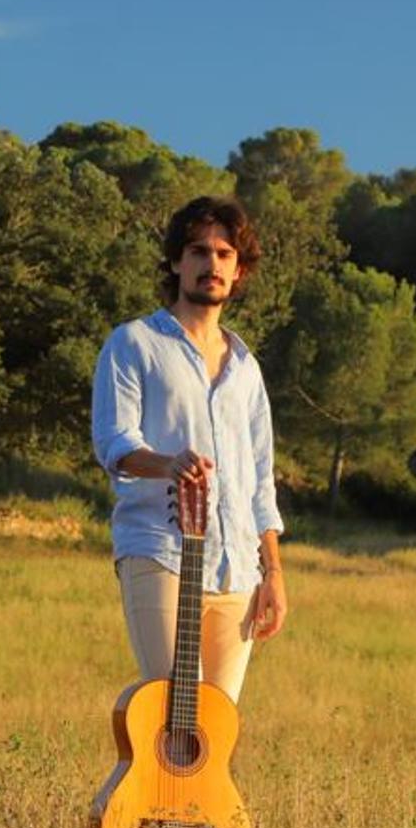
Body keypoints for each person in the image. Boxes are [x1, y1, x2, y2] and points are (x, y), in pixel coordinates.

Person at [91, 195, 287, 704]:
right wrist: (167, 464)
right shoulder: (133, 343)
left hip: (236, 568)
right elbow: (114, 441)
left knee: (216, 730)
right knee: (177, 715)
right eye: (199, 251)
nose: (211, 264)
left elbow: (260, 477)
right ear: (177, 262)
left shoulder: (246, 367)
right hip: (160, 551)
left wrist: (273, 574)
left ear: (238, 271)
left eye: (225, 254)